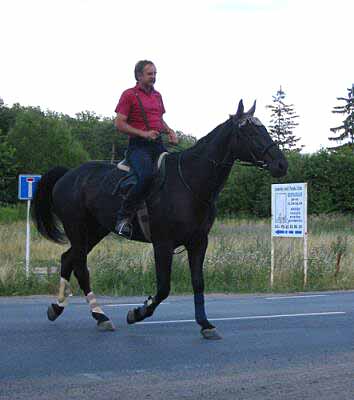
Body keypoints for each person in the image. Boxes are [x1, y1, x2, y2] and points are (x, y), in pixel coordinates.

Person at [114, 60, 178, 238]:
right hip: (138, 147)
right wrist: (143, 134)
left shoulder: (157, 96)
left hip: (158, 145)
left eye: (155, 74)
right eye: (150, 74)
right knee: (146, 176)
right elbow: (119, 124)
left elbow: (159, 120)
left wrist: (169, 131)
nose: (154, 77)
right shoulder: (129, 95)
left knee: (175, 172)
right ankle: (124, 218)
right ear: (139, 76)